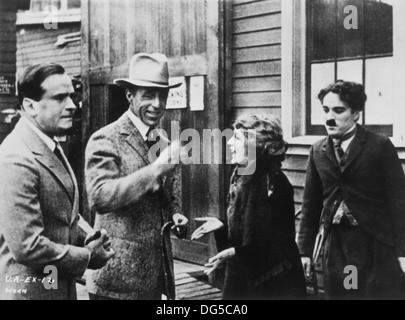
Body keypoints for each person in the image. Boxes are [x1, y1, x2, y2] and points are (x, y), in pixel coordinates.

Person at [0, 63, 114, 300]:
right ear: (30, 106)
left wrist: (88, 236)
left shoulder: (47, 143)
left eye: (72, 96)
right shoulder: (16, 157)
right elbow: (27, 246)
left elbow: (60, 209)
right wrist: (87, 256)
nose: (72, 106)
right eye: (60, 98)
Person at [85, 52, 189, 300]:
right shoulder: (106, 139)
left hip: (155, 278)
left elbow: (166, 196)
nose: (156, 104)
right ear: (130, 95)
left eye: (162, 96)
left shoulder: (161, 141)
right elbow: (100, 198)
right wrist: (156, 169)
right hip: (117, 282)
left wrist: (175, 214)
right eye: (148, 95)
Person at [297, 80, 405, 300]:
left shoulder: (379, 146)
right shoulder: (318, 150)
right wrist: (304, 252)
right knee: (345, 292)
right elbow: (310, 205)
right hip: (337, 244)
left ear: (356, 114)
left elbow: (399, 202)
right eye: (325, 110)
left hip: (374, 242)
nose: (329, 117)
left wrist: (403, 252)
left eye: (338, 110)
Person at [191, 114, 307, 300]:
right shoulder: (241, 176)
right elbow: (249, 232)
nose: (229, 142)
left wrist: (235, 252)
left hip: (275, 282)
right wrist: (223, 225)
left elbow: (279, 244)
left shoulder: (276, 184)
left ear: (256, 146)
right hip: (243, 275)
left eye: (236, 138)